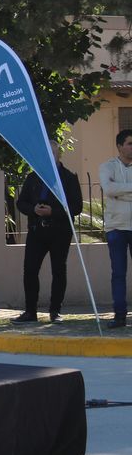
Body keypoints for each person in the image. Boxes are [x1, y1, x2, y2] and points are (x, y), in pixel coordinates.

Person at [13, 144, 83, 323]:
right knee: (30, 270)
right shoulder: (33, 177)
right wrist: (34, 209)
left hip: (60, 230)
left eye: (52, 152)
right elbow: (21, 203)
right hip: (37, 230)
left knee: (58, 270)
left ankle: (55, 311)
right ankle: (30, 312)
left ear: (59, 154)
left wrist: (53, 212)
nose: (48, 156)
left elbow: (76, 207)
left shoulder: (68, 177)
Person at [97, 130, 132, 328]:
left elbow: (114, 190)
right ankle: (120, 316)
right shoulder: (107, 166)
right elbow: (108, 190)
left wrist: (120, 191)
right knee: (118, 273)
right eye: (129, 143)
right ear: (119, 146)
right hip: (116, 227)